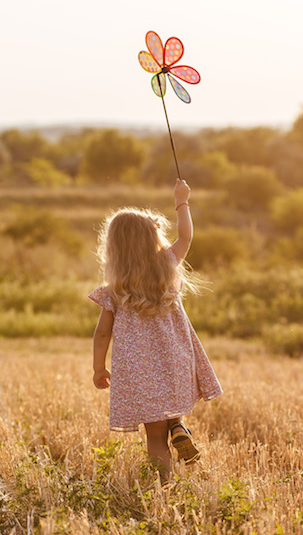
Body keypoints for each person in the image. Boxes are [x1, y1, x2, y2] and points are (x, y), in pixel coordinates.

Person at [88, 179, 222, 480]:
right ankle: (178, 424)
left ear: (113, 247)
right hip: (176, 360)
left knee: (154, 439)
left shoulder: (114, 289)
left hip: (139, 371)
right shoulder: (168, 267)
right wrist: (181, 201)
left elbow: (102, 334)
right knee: (172, 400)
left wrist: (99, 367)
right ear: (153, 237)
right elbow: (186, 237)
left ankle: (164, 487)